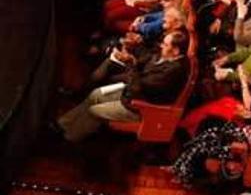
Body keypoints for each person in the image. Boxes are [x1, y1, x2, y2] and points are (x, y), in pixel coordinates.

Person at [56, 31, 190, 142]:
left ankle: (68, 138)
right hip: (131, 93)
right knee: (95, 94)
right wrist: (133, 48)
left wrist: (132, 64)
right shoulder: (166, 56)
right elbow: (147, 57)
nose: (161, 46)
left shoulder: (173, 71)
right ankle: (62, 124)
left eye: (165, 44)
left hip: (139, 106)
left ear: (176, 50)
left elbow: (138, 88)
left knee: (94, 111)